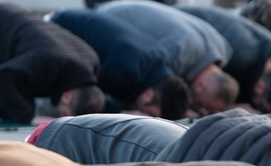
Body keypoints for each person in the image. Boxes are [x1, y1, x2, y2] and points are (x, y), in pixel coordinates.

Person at [95, 0, 237, 115]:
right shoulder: (177, 54)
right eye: (200, 104)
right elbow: (142, 85)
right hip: (107, 17)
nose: (200, 109)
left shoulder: (222, 47)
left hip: (125, 6)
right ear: (201, 86)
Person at [49, 9, 189, 119]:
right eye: (150, 114)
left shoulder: (157, 61)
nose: (145, 115)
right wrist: (120, 112)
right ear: (148, 95)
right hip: (57, 30)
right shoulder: (126, 70)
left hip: (71, 18)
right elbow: (91, 96)